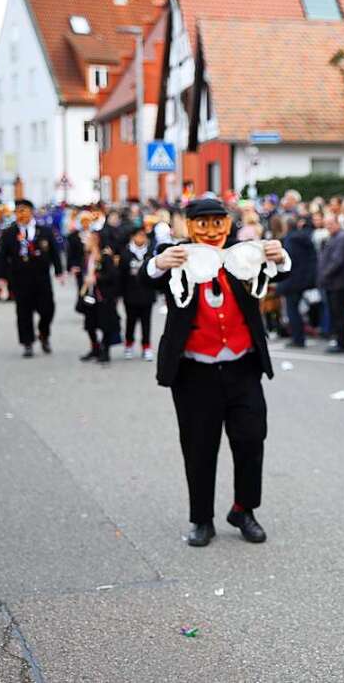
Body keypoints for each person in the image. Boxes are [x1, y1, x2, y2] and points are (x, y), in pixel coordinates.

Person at [140, 196, 291, 547]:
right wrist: (159, 263)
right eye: (202, 223)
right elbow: (146, 277)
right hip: (195, 371)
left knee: (251, 440)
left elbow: (283, 271)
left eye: (218, 222)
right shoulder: (178, 254)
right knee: (199, 447)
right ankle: (201, 518)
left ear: (229, 223)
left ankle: (243, 509)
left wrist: (279, 255)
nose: (211, 231)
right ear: (189, 226)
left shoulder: (244, 254)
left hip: (242, 366)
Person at [0, 199, 63, 358]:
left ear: (31, 212)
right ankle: (27, 342)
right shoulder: (9, 233)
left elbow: (55, 252)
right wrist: (1, 277)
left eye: (24, 210)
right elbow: (2, 256)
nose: (21, 214)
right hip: (20, 278)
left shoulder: (45, 231)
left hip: (41, 277)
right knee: (23, 312)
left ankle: (44, 333)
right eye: (18, 211)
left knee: (48, 309)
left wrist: (59, 271)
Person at [77, 231, 120, 364]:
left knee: (105, 324)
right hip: (89, 295)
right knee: (90, 324)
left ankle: (105, 350)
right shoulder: (87, 256)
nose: (86, 241)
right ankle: (94, 348)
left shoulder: (105, 256)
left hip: (103, 297)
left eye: (89, 239)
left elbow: (112, 275)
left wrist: (97, 278)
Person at [275, 215, 318, 348]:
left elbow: (289, 260)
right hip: (301, 279)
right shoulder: (302, 238)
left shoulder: (291, 240)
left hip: (292, 281)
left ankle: (297, 338)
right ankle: (298, 337)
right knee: (295, 309)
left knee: (292, 310)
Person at [317, 212, 344, 353]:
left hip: (338, 282)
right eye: (326, 224)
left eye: (331, 224)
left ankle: (341, 342)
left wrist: (325, 274)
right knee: (335, 313)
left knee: (339, 314)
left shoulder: (342, 238)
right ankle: (339, 340)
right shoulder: (333, 237)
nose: (328, 227)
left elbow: (338, 261)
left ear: (338, 223)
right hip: (332, 282)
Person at [120, 226, 156, 361]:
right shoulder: (126, 253)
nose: (141, 238)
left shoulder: (151, 253)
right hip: (130, 295)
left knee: (146, 323)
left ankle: (146, 346)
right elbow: (121, 276)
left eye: (143, 235)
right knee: (131, 321)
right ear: (133, 237)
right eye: (138, 235)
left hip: (147, 294)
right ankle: (129, 344)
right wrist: (120, 294)